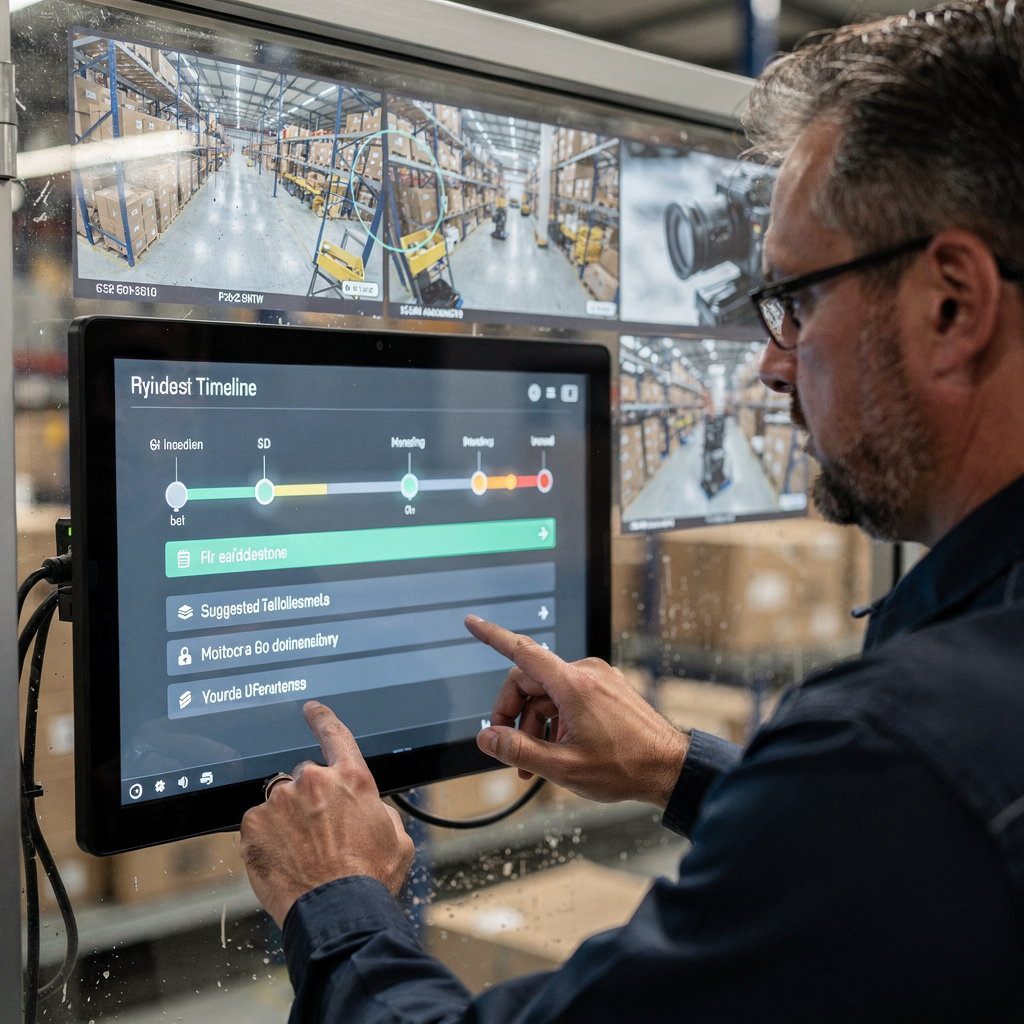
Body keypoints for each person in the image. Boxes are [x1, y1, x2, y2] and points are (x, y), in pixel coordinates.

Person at [239, 2, 1024, 1018]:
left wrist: (332, 899)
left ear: (951, 304)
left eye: (798, 301)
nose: (773, 363)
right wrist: (676, 768)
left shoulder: (893, 751)